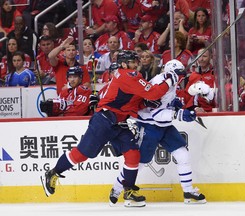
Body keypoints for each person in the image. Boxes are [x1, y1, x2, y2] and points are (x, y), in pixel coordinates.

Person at [40, 50, 179, 208]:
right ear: (125, 64)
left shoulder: (129, 76)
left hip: (119, 123)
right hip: (104, 121)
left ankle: (129, 192)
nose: (137, 63)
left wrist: (144, 103)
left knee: (133, 154)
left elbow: (132, 100)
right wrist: (170, 79)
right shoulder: (129, 75)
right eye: (133, 61)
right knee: (80, 155)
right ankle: (53, 172)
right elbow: (154, 93)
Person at [109, 59, 206, 205]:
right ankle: (117, 189)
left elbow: (168, 103)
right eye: (178, 74)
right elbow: (156, 113)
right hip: (149, 126)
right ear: (170, 73)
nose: (181, 77)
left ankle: (188, 191)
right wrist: (179, 115)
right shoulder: (158, 83)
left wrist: (179, 107)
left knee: (183, 155)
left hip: (164, 126)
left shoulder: (171, 81)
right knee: (138, 163)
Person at [178, 48, 215, 113]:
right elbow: (187, 96)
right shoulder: (193, 75)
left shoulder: (215, 74)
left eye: (204, 56)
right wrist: (195, 108)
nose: (201, 59)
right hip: (195, 111)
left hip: (212, 112)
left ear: (210, 57)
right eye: (199, 56)